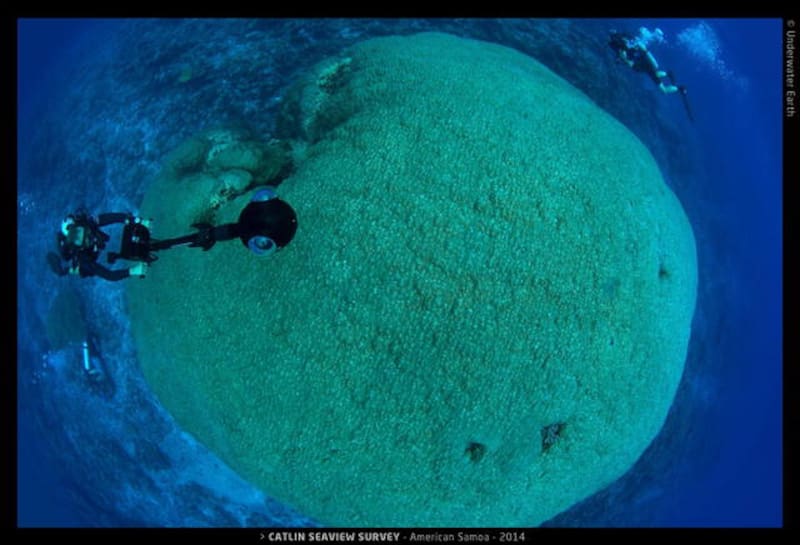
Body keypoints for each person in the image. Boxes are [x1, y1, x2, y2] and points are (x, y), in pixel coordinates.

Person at [47, 209, 152, 281]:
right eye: (80, 240)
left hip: (88, 246)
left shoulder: (89, 223)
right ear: (76, 246)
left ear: (82, 225)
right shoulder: (83, 258)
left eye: (82, 231)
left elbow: (113, 218)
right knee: (84, 271)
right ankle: (65, 270)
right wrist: (134, 270)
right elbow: (110, 276)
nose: (86, 238)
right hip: (85, 258)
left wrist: (137, 221)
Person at [608, 28, 687, 96]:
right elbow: (626, 52)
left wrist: (621, 59)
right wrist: (620, 58)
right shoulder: (624, 40)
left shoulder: (621, 44)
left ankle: (678, 86)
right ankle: (670, 76)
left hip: (642, 63)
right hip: (643, 62)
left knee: (663, 87)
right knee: (657, 77)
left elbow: (625, 56)